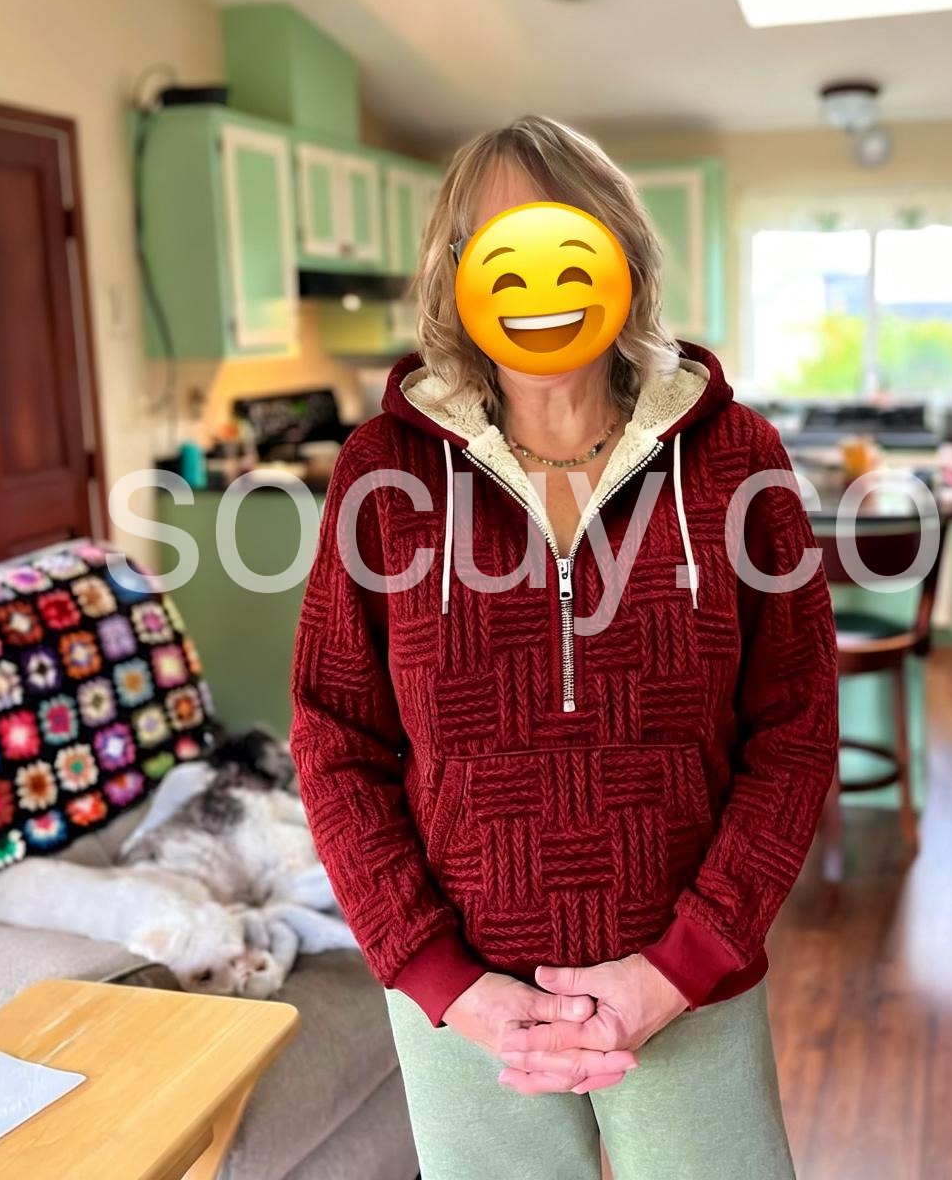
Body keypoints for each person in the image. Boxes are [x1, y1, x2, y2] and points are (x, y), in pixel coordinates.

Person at [290, 114, 838, 1180]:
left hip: (689, 986)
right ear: (455, 274)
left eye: (564, 232)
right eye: (498, 244)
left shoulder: (736, 459)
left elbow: (796, 727)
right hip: (468, 1006)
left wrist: (682, 966)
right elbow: (336, 737)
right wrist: (440, 976)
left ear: (620, 251)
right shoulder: (381, 473)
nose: (536, 275)